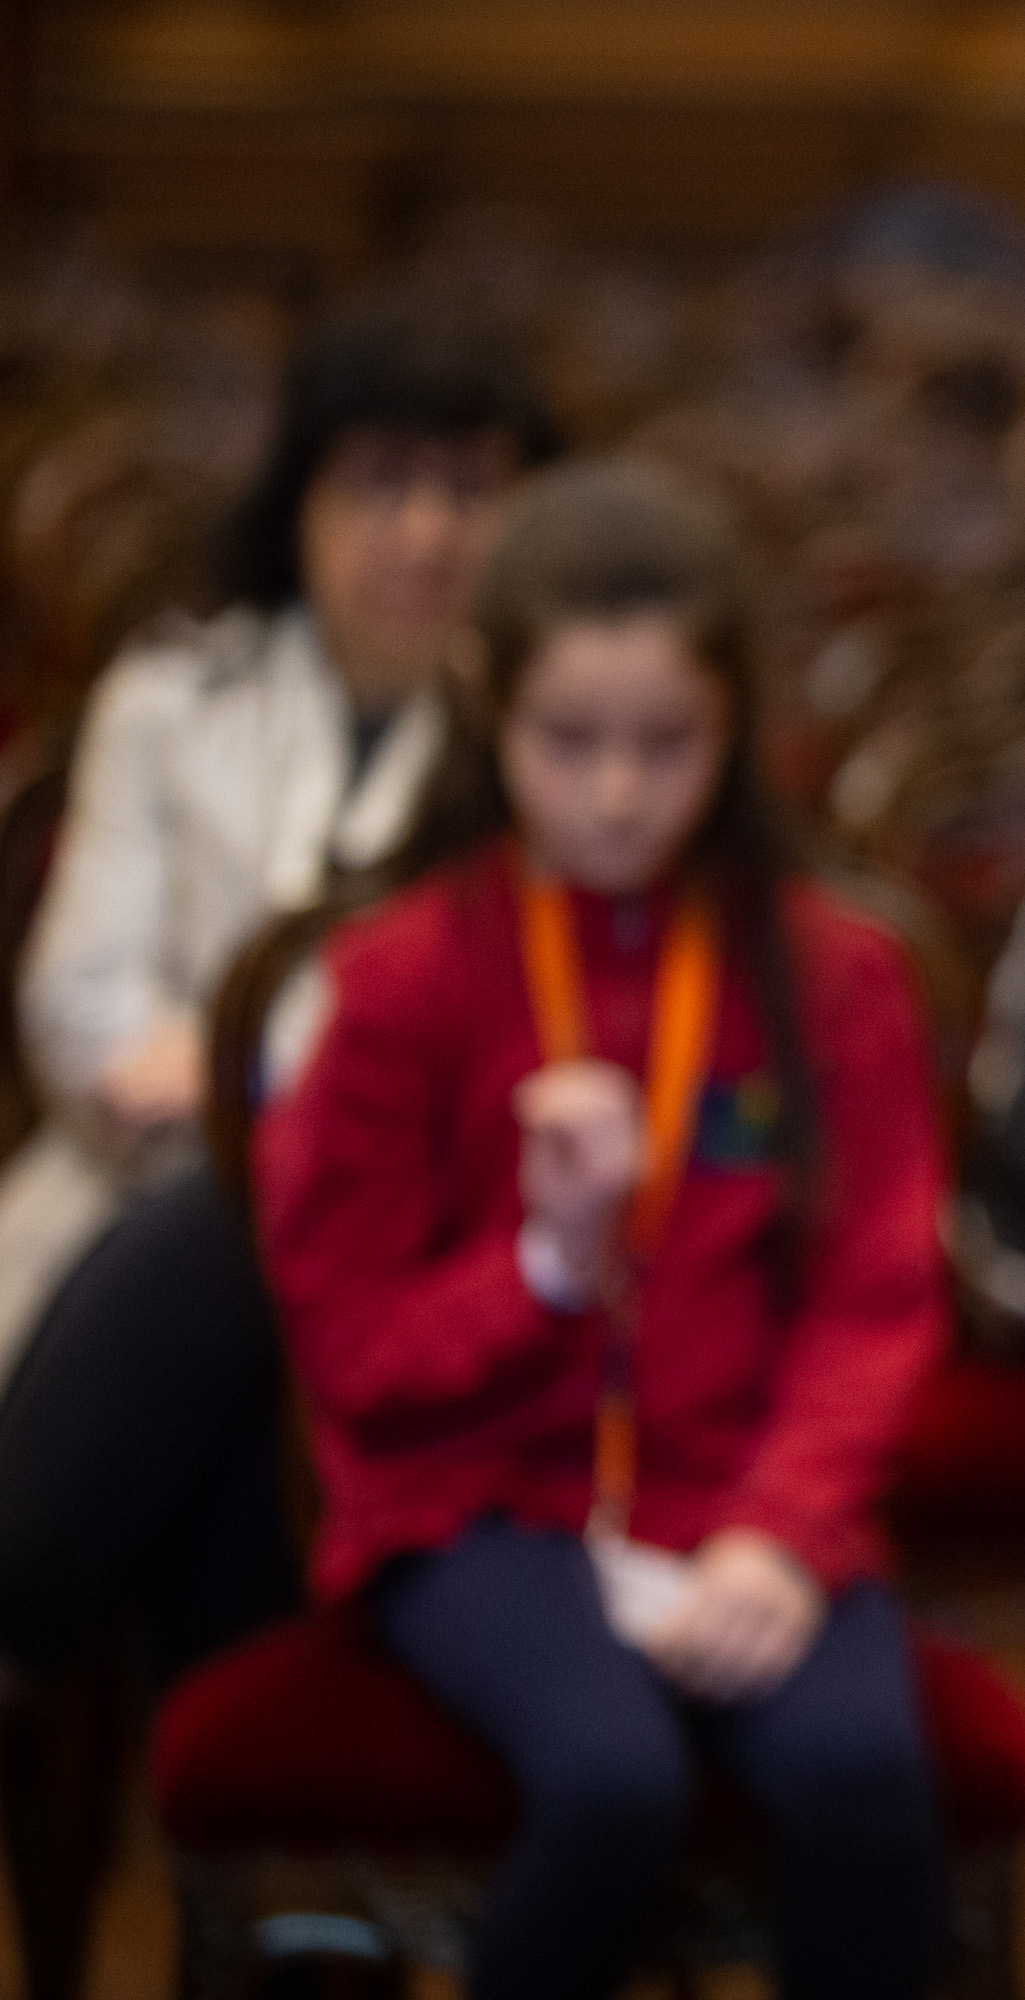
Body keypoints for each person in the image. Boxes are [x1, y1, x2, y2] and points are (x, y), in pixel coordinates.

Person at [254, 459, 948, 2000]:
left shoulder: (832, 976)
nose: (619, 794)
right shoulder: (400, 982)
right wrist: (544, 1271)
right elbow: (355, 1352)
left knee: (862, 1781)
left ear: (737, 732)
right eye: (569, 744)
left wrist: (785, 1528)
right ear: (488, 708)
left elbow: (875, 1298)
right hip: (473, 1501)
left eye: (668, 744)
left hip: (738, 1488)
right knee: (611, 1784)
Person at [0, 297, 556, 1702]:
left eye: (468, 489)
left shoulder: (559, 733)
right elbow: (80, 991)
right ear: (299, 496)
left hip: (425, 1234)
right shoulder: (174, 694)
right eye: (379, 483)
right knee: (243, 1248)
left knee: (279, 1219)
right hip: (138, 1188)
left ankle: (48, 1622)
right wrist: (217, 1091)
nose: (424, 532)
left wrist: (267, 1090)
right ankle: (259, 1842)